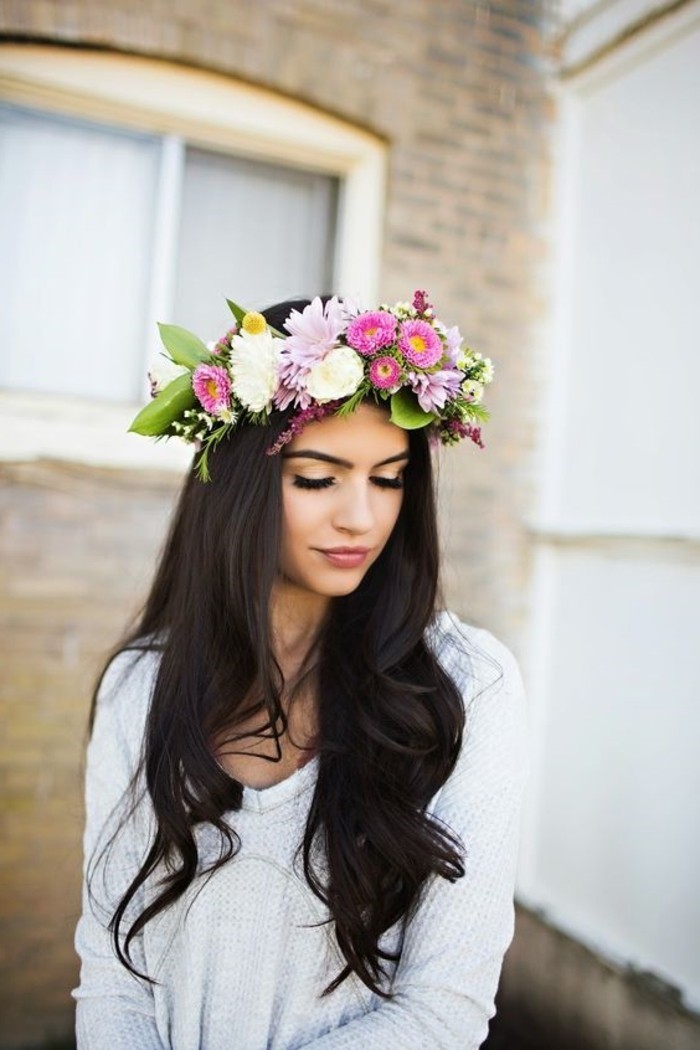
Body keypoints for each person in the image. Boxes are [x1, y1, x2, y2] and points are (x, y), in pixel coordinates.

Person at [73, 291, 527, 1049]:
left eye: (389, 478)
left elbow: (442, 1012)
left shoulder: (467, 687)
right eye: (319, 478)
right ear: (242, 488)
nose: (363, 517)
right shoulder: (141, 684)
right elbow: (113, 978)